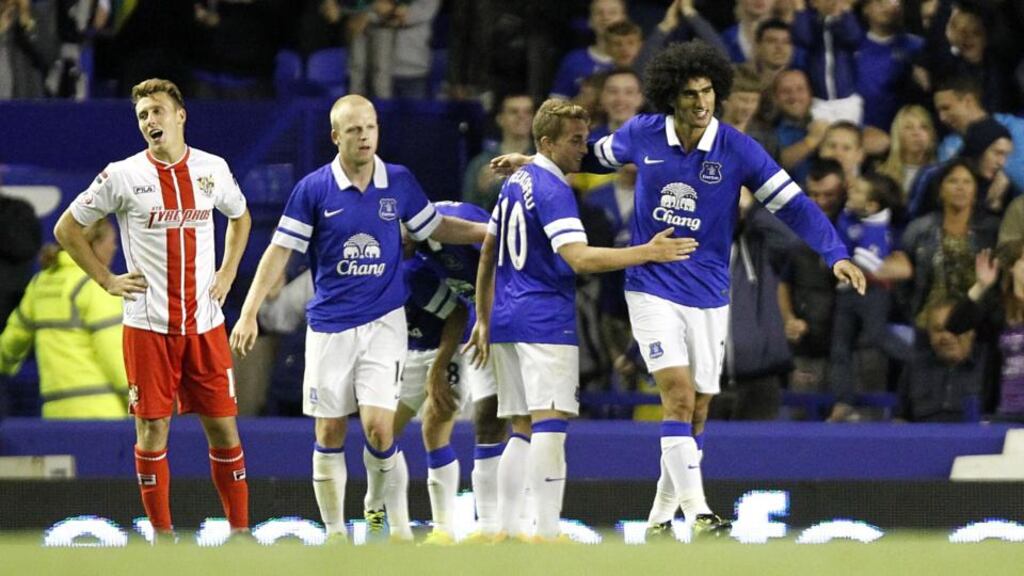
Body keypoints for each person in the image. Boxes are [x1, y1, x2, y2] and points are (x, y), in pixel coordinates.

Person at [493, 41, 865, 537]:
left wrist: (836, 252)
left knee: (697, 410)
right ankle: (701, 512)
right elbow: (591, 157)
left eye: (708, 91)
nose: (700, 101)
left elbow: (793, 204)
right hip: (650, 285)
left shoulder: (738, 148)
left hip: (711, 292)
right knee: (678, 394)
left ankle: (659, 518)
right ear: (672, 97)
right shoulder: (642, 134)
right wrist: (536, 161)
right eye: (690, 93)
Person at [230, 94, 487, 542]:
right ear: (336, 136)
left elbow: (435, 228)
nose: (364, 136)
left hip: (384, 324)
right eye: (354, 130)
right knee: (329, 429)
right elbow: (280, 250)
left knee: (378, 427)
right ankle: (333, 533)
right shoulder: (313, 189)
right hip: (330, 326)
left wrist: (487, 231)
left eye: (370, 127)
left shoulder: (400, 182)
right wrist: (249, 311)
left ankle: (374, 506)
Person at [466, 98, 697, 542]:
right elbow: (579, 258)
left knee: (520, 427)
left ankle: (506, 530)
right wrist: (648, 251)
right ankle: (548, 532)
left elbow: (489, 252)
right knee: (550, 425)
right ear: (549, 143)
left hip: (507, 320)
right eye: (575, 141)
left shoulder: (517, 181)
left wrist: (483, 316)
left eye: (585, 138)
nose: (584, 149)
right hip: (544, 320)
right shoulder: (555, 192)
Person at [53, 78, 252, 540]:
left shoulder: (212, 169)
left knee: (224, 430)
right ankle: (162, 540)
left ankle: (242, 536)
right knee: (152, 432)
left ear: (180, 115)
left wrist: (227, 273)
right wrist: (106, 279)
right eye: (142, 115)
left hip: (204, 325)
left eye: (157, 111)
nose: (150, 121)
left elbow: (240, 217)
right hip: (147, 327)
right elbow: (67, 229)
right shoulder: (122, 175)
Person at [392, 200, 507, 544]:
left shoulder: (459, 224)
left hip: (511, 319)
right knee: (379, 437)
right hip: (469, 328)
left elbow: (504, 250)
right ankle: (390, 527)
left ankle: (516, 521)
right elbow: (460, 302)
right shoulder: (419, 255)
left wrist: (439, 366)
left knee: (517, 418)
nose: (396, 245)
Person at [0, 219, 128, 419]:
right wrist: (141, 403)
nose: (114, 247)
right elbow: (115, 353)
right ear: (92, 244)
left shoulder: (41, 283)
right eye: (111, 241)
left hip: (55, 414)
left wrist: (4, 365)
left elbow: (12, 341)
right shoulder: (96, 286)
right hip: (103, 416)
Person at [462, 94, 535, 211]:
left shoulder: (545, 160)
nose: (522, 116)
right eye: (514, 112)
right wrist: (482, 194)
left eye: (528, 112)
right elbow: (468, 212)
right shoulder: (480, 164)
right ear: (500, 119)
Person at [548, 0, 626, 100]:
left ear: (624, 19)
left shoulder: (638, 57)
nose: (605, 17)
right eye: (599, 13)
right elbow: (555, 108)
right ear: (590, 21)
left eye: (612, 12)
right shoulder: (574, 60)